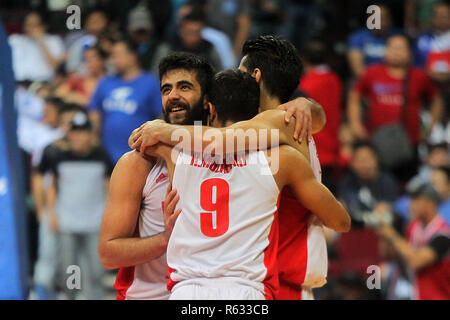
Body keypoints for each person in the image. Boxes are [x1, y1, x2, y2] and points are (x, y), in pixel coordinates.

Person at [130, 36, 330, 300]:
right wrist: (310, 105)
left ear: (255, 76)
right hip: (265, 281)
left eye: (241, 71)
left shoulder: (270, 125)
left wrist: (163, 129)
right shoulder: (292, 121)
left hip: (275, 281)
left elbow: (220, 141)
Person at [348, 34, 443, 181]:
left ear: (409, 53)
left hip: (408, 143)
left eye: (401, 48)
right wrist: (355, 124)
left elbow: (437, 100)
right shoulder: (372, 73)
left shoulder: (419, 76)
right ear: (385, 50)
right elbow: (355, 97)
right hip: (377, 141)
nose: (396, 52)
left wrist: (429, 127)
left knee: (408, 183)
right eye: (392, 47)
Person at [45, 112, 113, 299]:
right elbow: (52, 187)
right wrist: (52, 213)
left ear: (90, 135)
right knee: (70, 269)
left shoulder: (102, 156)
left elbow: (109, 187)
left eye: (83, 132)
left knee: (96, 270)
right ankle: (71, 297)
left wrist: (109, 216)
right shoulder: (59, 156)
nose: (78, 137)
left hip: (94, 222)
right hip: (68, 222)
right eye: (75, 132)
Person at [88, 38, 162, 164]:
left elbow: (160, 117)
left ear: (132, 56)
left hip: (140, 156)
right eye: (112, 56)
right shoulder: (105, 83)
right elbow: (94, 110)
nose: (113, 60)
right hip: (106, 156)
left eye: (117, 55)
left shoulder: (151, 83)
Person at [375, 183, 450, 299]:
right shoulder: (413, 228)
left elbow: (416, 261)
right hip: (413, 294)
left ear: (430, 203)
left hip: (436, 296)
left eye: (415, 200)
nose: (410, 205)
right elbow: (390, 256)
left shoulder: (443, 235)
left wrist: (392, 235)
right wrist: (384, 233)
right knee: (375, 276)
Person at [298, 39, 343, 192]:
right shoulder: (335, 80)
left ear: (304, 60)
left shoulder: (305, 85)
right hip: (332, 150)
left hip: (312, 153)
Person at [8, 10, 65, 82]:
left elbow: (54, 65)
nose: (31, 28)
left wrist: (40, 41)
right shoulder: (14, 40)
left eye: (35, 25)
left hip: (43, 84)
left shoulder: (54, 41)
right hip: (17, 84)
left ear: (44, 26)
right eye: (28, 25)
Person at [347, 4, 401, 77]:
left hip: (393, 80)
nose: (379, 21)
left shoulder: (397, 37)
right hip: (367, 80)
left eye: (383, 18)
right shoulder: (358, 37)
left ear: (389, 20)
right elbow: (357, 68)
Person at [126, 3, 171, 75]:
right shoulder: (124, 47)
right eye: (137, 32)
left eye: (144, 31)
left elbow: (158, 77)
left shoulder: (160, 49)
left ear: (151, 28)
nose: (141, 35)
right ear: (129, 30)